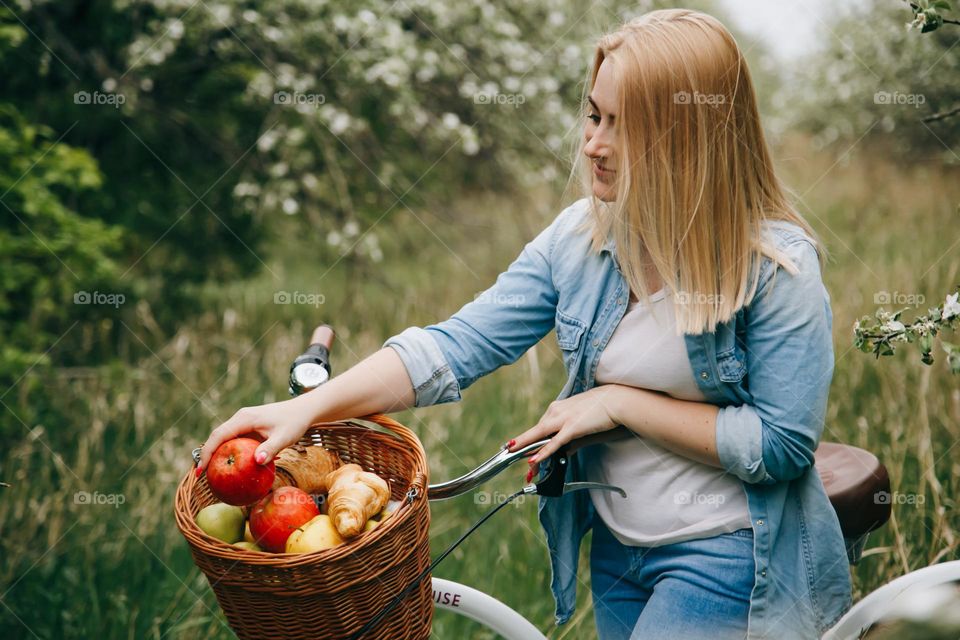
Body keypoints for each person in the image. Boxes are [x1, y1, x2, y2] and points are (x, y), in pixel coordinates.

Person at [197, 8, 852, 639]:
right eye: (594, 115)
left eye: (623, 126)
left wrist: (617, 402)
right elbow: (457, 346)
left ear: (690, 136)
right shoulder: (582, 238)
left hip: (732, 553)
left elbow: (780, 448)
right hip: (620, 553)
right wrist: (307, 412)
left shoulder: (774, 269)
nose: (593, 143)